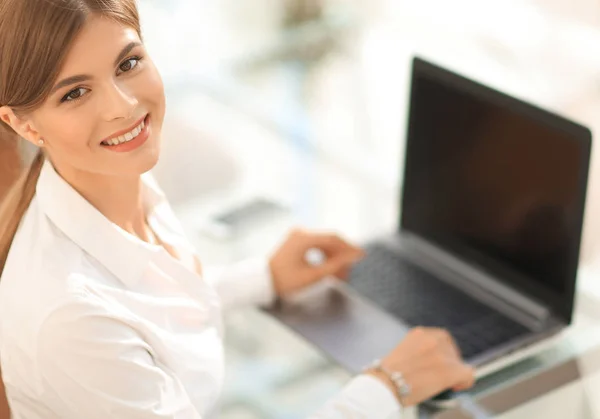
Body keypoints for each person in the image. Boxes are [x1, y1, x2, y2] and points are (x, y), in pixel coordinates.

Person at [0, 1, 475, 418]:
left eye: (128, 63)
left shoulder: (116, 175)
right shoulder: (69, 319)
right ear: (21, 123)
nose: (123, 108)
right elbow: (109, 317)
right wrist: (390, 385)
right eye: (74, 93)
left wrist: (262, 277)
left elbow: (146, 308)